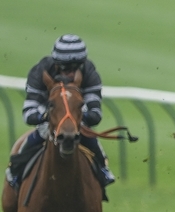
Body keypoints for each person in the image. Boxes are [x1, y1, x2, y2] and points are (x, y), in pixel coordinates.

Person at [7, 34, 115, 189]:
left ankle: (103, 169)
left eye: (75, 67)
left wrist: (75, 117)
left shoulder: (90, 73)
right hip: (50, 112)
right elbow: (28, 113)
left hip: (76, 113)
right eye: (65, 68)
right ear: (56, 64)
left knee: (88, 136)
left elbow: (95, 114)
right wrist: (47, 116)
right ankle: (15, 171)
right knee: (41, 133)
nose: (70, 73)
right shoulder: (40, 71)